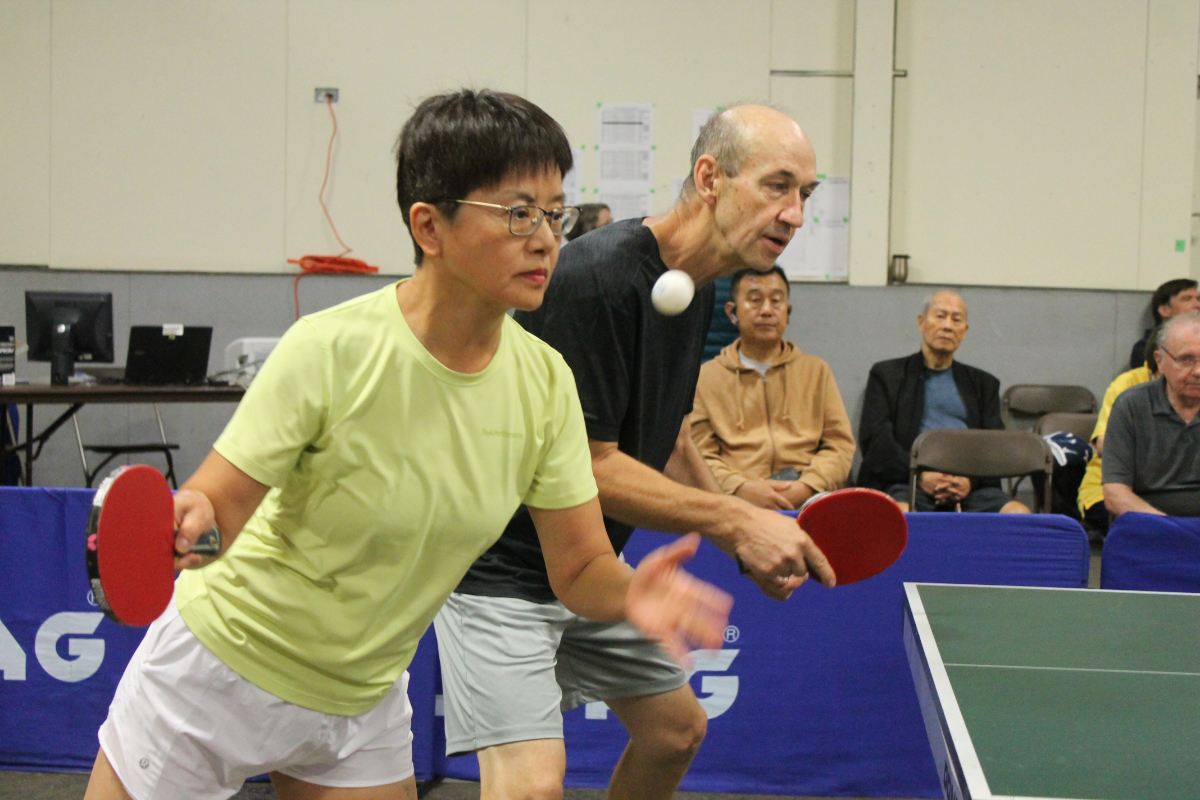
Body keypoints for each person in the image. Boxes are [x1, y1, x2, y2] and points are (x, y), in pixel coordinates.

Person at [82, 89, 733, 800]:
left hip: (360, 699)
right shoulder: (329, 349)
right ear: (430, 226)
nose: (547, 239)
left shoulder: (545, 382)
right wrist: (194, 521)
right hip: (223, 669)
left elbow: (579, 568)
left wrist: (633, 592)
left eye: (556, 213)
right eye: (519, 213)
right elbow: (220, 507)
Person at [435, 104, 836, 800]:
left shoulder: (697, 289)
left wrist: (737, 530)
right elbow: (587, 467)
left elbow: (667, 432)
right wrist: (736, 520)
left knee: (674, 731)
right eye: (778, 186)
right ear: (710, 178)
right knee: (530, 788)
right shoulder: (595, 279)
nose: (795, 214)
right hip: (500, 572)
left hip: (589, 564)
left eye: (806, 194)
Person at [691, 265, 854, 510]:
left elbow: (839, 445)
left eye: (776, 301)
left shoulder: (816, 371)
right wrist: (740, 487)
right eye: (755, 300)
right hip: (735, 503)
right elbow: (697, 452)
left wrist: (808, 485)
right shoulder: (706, 377)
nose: (767, 310)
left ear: (788, 311)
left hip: (808, 499)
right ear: (732, 313)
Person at [857, 290, 1029, 513]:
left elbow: (994, 448)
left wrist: (969, 480)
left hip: (970, 486)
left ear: (964, 331)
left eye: (956, 320)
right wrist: (919, 475)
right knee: (899, 514)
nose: (947, 326)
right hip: (906, 482)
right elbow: (876, 441)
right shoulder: (887, 375)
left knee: (1018, 513)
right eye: (940, 316)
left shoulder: (984, 384)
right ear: (921, 322)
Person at [1103, 312, 1200, 517]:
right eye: (1186, 359)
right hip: (1148, 524)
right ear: (1160, 362)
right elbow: (1115, 493)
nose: (1198, 371)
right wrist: (1169, 527)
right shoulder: (1132, 405)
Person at [1077, 334, 1160, 534]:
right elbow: (1104, 444)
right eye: (1186, 359)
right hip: (1110, 485)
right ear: (1160, 361)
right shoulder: (1127, 387)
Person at [1128, 279, 1200, 369]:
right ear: (1165, 310)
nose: (1198, 305)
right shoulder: (1144, 349)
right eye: (1187, 299)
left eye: (1198, 299)